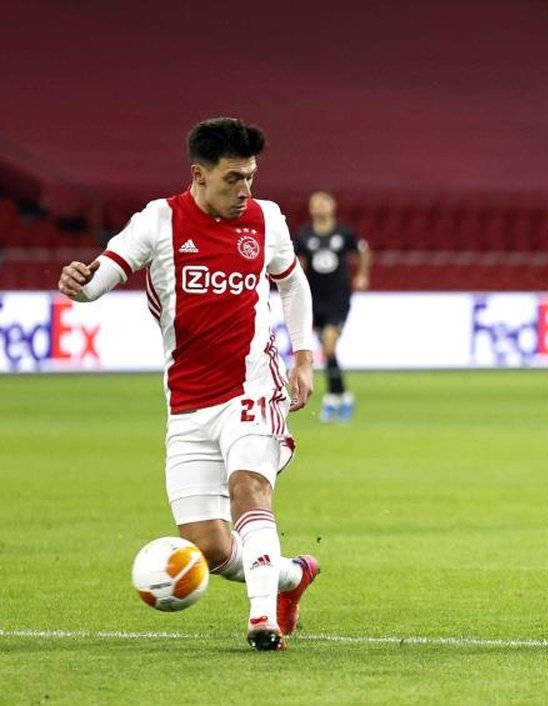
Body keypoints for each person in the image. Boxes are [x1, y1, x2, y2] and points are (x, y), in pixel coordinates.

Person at [57, 117, 320, 651]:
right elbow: (102, 277)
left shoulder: (267, 220)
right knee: (212, 548)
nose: (245, 191)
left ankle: (261, 620)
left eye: (250, 177)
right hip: (188, 404)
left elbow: (293, 284)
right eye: (232, 179)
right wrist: (79, 287)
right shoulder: (158, 221)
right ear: (198, 175)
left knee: (249, 487)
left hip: (253, 385)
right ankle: (293, 577)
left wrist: (304, 357)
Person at [294, 191, 372, 422]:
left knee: (328, 346)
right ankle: (342, 396)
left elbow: (363, 251)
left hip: (338, 298)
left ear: (332, 206)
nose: (319, 206)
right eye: (315, 203)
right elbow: (295, 261)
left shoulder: (343, 233)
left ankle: (331, 398)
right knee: (328, 351)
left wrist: (362, 275)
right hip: (314, 299)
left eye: (323, 202)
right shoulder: (304, 235)